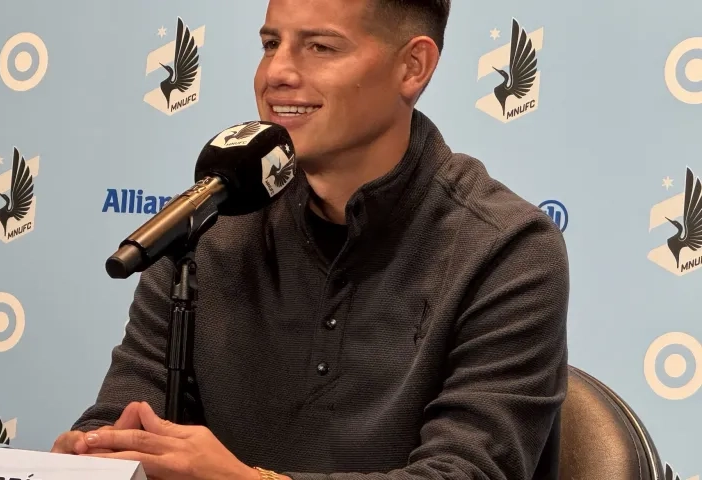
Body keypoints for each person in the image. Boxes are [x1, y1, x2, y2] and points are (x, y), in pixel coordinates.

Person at [51, 0, 569, 478]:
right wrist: (95, 454)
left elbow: (465, 473)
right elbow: (127, 412)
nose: (276, 73)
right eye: (270, 44)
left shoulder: (509, 248)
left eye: (320, 47)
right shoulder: (206, 224)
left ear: (413, 67)